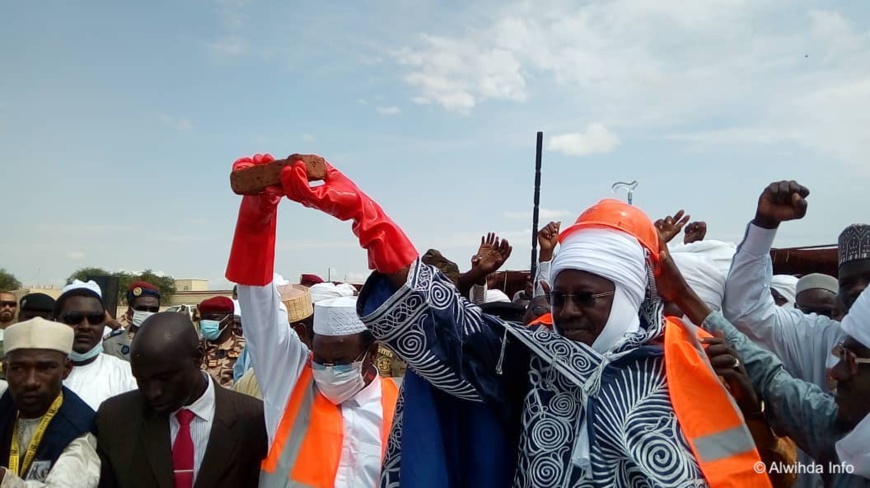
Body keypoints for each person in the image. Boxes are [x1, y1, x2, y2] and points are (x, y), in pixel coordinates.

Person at [271, 155, 770, 487]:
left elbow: (756, 461)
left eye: (586, 297)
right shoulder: (538, 355)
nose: (568, 310)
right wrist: (372, 224)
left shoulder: (688, 357)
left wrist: (747, 399)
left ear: (625, 295)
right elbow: (452, 326)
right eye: (561, 294)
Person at [226, 153, 401, 486]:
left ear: (372, 353)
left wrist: (363, 212)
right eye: (322, 358)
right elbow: (256, 302)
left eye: (341, 360)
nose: (327, 370)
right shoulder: (290, 380)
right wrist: (258, 213)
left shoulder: (400, 403)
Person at [723, 181, 869, 392]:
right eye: (847, 283)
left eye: (869, 280)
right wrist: (765, 225)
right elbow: (747, 314)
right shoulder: (823, 339)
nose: (857, 289)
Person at [96, 312, 267, 487]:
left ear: (198, 357)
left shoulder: (253, 420)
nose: (153, 392)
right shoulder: (116, 418)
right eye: (142, 380)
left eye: (164, 378)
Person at [0, 317, 99, 486]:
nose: (31, 381)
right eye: (18, 368)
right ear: (5, 369)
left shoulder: (79, 428)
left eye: (44, 368)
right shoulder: (5, 398)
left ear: (66, 370)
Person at [54, 280, 137, 411]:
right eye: (74, 318)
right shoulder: (37, 374)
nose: (85, 326)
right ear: (56, 321)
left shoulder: (126, 376)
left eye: (95, 318)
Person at [198, 296, 245, 388]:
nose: (207, 323)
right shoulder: (195, 348)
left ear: (230, 319)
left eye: (213, 318)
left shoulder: (244, 349)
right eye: (204, 319)